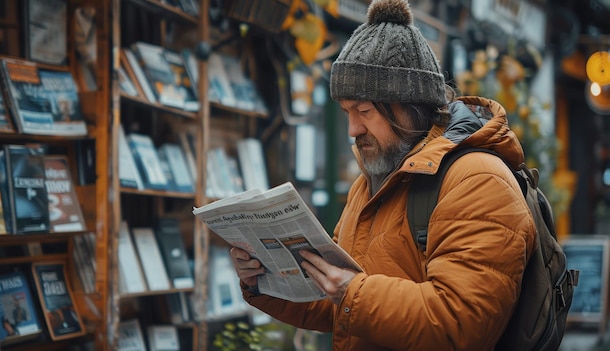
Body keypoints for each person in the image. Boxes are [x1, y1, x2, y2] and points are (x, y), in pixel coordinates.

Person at [229, 0, 536, 349]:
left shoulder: (477, 179)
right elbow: (337, 305)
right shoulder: (373, 181)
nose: (352, 129)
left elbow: (461, 322)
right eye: (346, 112)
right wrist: (263, 280)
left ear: (409, 107)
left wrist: (351, 291)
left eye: (364, 111)